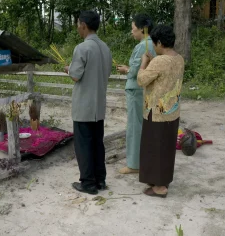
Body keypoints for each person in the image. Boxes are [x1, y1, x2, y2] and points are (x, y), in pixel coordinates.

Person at [64, 11, 112, 195]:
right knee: (97, 143)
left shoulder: (82, 48)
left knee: (84, 144)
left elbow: (76, 75)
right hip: (99, 104)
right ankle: (100, 180)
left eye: (78, 24)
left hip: (84, 105)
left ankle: (88, 184)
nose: (77, 27)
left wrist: (68, 69)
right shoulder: (105, 48)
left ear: (83, 25)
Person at [137, 25, 185, 197]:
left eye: (154, 43)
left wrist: (144, 62)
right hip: (172, 110)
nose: (154, 47)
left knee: (154, 148)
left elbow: (141, 80)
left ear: (159, 43)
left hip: (156, 111)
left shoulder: (160, 61)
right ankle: (161, 180)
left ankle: (160, 188)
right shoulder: (179, 58)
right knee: (165, 148)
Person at [116, 14, 156, 174]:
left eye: (133, 29)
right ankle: (144, 160)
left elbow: (135, 71)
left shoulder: (142, 45)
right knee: (143, 125)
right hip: (145, 89)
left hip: (136, 90)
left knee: (134, 126)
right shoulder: (153, 44)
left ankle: (133, 164)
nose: (132, 32)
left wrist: (127, 69)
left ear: (142, 29)